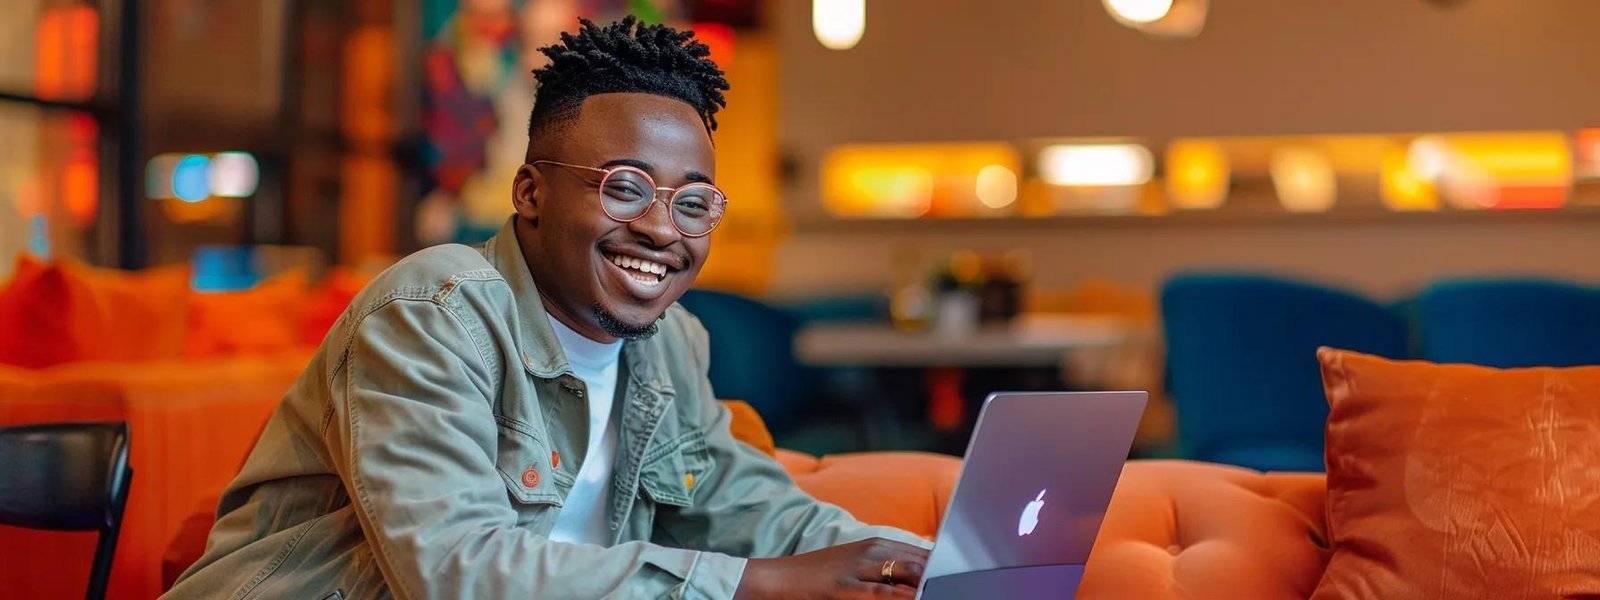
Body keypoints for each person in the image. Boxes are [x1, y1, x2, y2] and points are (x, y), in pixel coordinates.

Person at [165, 16, 930, 600]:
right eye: (624, 187)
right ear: (530, 193)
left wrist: (929, 562)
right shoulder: (431, 315)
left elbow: (749, 504)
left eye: (694, 202)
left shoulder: (669, 343)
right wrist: (752, 583)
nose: (663, 229)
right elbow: (456, 570)